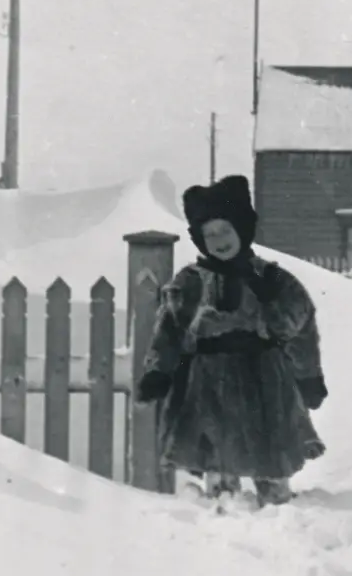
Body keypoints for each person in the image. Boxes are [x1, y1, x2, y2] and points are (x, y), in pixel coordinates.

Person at [134, 174, 328, 508]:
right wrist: (159, 373)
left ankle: (277, 505)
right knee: (217, 459)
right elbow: (169, 333)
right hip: (208, 384)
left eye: (225, 230)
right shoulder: (190, 282)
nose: (219, 240)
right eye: (209, 234)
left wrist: (309, 376)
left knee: (270, 455)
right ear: (199, 239)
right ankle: (222, 509)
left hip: (265, 381)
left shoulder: (271, 279)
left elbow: (302, 327)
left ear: (242, 228)